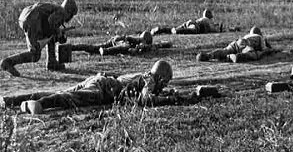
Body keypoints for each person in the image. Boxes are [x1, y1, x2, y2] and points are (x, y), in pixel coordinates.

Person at [11, 59, 176, 114]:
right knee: (71, 98)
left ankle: (14, 100)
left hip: (99, 81)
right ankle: (40, 104)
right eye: (164, 83)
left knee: (62, 92)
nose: (163, 87)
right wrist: (169, 99)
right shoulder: (149, 80)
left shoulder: (143, 76)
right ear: (160, 77)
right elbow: (146, 100)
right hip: (103, 89)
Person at [0, 0, 78, 76]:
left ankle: (52, 62)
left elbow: (49, 28)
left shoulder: (56, 8)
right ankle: (7, 62)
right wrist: (58, 32)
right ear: (69, 11)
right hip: (33, 21)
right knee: (35, 55)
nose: (70, 18)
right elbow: (51, 23)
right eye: (71, 15)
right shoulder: (61, 12)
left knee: (52, 37)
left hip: (26, 17)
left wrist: (57, 33)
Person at [197, 26, 274, 63]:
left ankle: (209, 55)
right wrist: (270, 49)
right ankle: (234, 57)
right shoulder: (259, 37)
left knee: (225, 50)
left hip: (237, 42)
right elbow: (264, 49)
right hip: (246, 44)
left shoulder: (247, 35)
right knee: (256, 55)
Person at [72, 31, 153, 55]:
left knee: (94, 48)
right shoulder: (137, 40)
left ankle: (73, 47)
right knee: (125, 47)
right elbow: (128, 39)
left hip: (115, 40)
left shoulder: (138, 41)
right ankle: (106, 51)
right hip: (119, 41)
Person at [151, 9, 222, 36]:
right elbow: (212, 29)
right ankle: (177, 31)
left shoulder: (203, 19)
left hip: (191, 22)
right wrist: (219, 29)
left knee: (173, 29)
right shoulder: (207, 20)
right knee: (188, 31)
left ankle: (160, 30)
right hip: (195, 26)